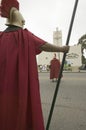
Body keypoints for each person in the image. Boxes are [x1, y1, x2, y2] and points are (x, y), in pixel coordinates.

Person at [0, 0, 69, 130]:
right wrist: (62, 49)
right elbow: (45, 45)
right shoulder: (26, 36)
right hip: (21, 88)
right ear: (20, 20)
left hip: (3, 88)